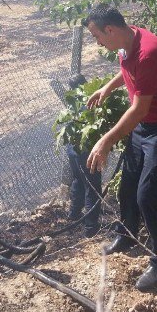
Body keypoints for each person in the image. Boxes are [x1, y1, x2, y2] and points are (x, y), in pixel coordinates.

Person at [83, 3, 157, 292]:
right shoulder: (126, 43)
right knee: (127, 186)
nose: (97, 42)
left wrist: (105, 141)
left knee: (147, 197)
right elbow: (128, 70)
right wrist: (108, 87)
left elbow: (139, 109)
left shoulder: (149, 51)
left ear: (110, 30)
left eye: (97, 37)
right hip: (146, 127)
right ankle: (127, 234)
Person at [65, 74, 102, 238]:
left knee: (78, 180)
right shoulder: (91, 102)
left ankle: (73, 213)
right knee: (92, 186)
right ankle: (91, 227)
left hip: (73, 151)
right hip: (87, 151)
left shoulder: (71, 103)